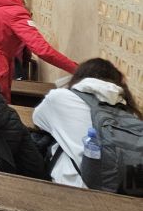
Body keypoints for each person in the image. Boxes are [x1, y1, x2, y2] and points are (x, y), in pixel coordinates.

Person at [32, 58, 141, 189]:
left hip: (76, 188)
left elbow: (37, 120)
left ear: (79, 76)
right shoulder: (130, 111)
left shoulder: (59, 97)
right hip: (126, 190)